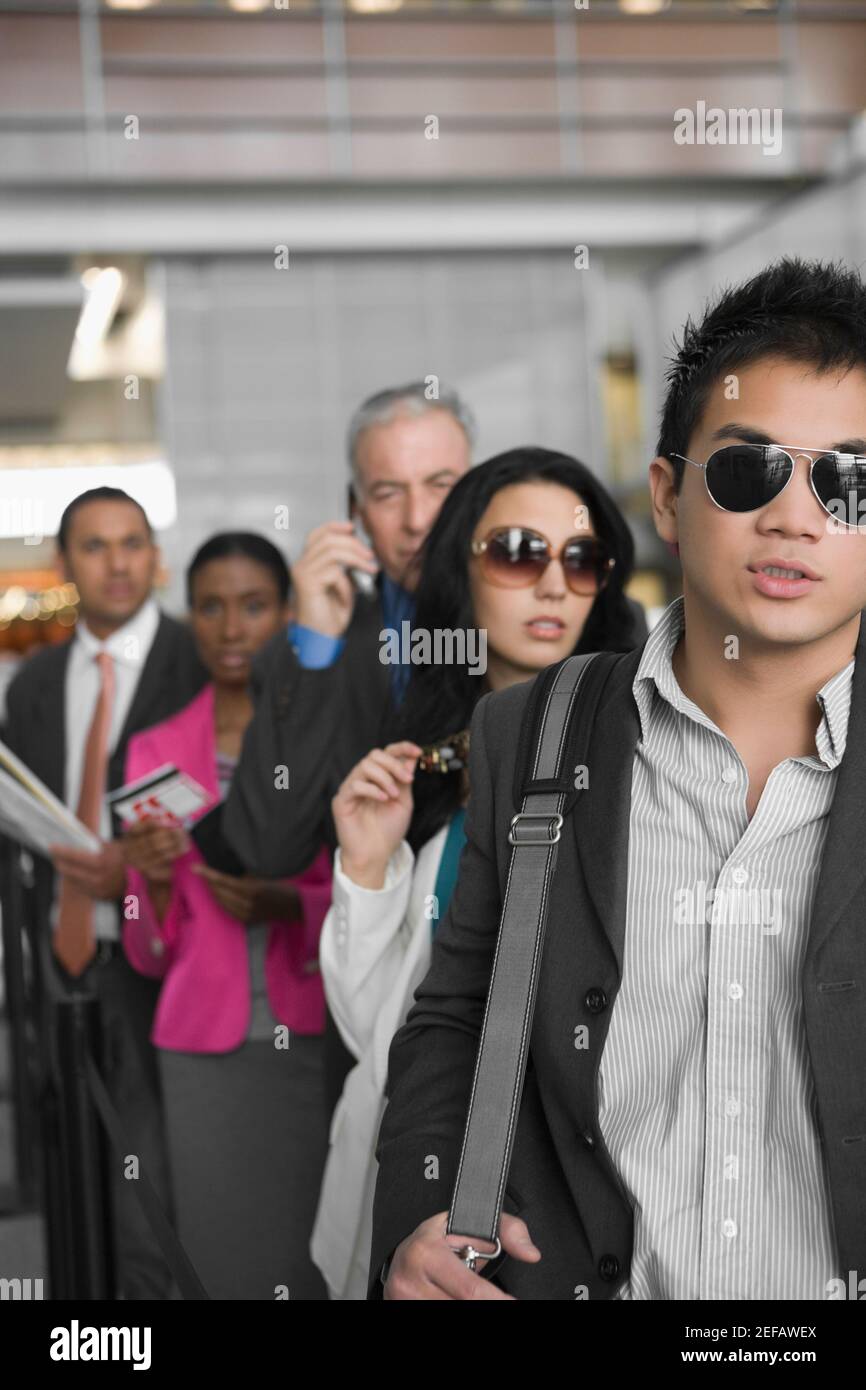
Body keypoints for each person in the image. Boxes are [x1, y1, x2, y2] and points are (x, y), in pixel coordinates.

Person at [369, 257, 866, 1301]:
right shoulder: (535, 731)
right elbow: (457, 1012)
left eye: (846, 482)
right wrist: (421, 1209)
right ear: (668, 496)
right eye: (748, 472)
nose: (795, 518)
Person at [311, 447, 641, 1300]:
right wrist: (367, 866)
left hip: (574, 1198)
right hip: (411, 1167)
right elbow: (380, 1030)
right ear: (462, 566)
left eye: (582, 558)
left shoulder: (645, 745)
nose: (553, 584)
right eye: (518, 552)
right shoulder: (422, 754)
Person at [223, 382, 475, 1114]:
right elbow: (268, 843)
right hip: (364, 1000)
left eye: (441, 485)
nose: (420, 519)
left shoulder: (540, 611)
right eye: (388, 493)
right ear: (355, 509)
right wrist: (314, 645)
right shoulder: (311, 643)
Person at [1, 486, 207, 1300]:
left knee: (150, 1168)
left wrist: (143, 862)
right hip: (57, 952)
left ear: (155, 557)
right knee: (65, 1154)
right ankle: (83, 1318)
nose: (118, 563)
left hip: (160, 956)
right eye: (96, 546)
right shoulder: (36, 682)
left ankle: (144, 1323)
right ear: (65, 563)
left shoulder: (198, 661)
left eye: (133, 543)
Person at [121, 533, 333, 1301]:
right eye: (210, 606)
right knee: (222, 1260)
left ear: (285, 613)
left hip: (311, 1033)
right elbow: (145, 952)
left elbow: (370, 889)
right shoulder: (154, 748)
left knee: (319, 1255)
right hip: (199, 1047)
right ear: (190, 616)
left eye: (252, 606)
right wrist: (155, 886)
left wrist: (295, 905)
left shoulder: (325, 734)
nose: (232, 627)